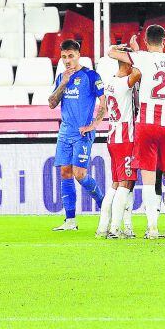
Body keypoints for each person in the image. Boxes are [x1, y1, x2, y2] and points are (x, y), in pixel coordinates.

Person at [108, 25, 165, 239]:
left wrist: (121, 47)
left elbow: (111, 53)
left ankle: (153, 228)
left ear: (147, 41)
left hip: (146, 124)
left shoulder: (142, 58)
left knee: (148, 177)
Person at [48, 39, 106, 232]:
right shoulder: (61, 78)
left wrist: (94, 125)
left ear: (78, 55)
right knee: (65, 172)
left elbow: (104, 104)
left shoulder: (90, 75)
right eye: (64, 57)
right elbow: (51, 103)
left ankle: (104, 204)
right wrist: (63, 83)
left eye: (70, 56)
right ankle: (70, 220)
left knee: (79, 174)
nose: (67, 60)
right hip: (65, 132)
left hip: (82, 133)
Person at [97, 58, 140, 239]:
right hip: (125, 138)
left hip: (112, 137)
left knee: (116, 184)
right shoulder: (124, 83)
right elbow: (138, 72)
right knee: (125, 183)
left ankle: (103, 227)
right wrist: (135, 54)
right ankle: (115, 229)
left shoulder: (111, 83)